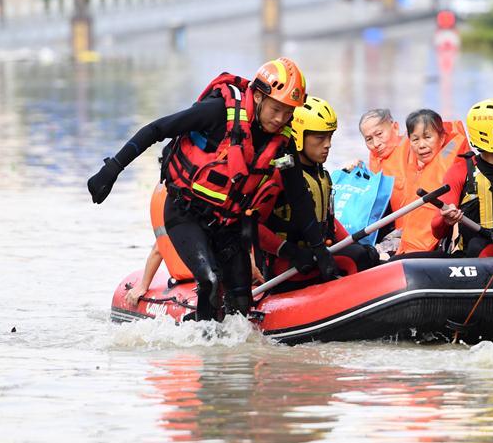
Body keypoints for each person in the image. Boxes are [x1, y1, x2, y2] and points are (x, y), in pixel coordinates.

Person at [87, 58, 339, 321]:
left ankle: (231, 360)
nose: (281, 119)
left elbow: (299, 197)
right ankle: (204, 348)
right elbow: (157, 129)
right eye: (276, 109)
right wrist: (113, 168)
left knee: (242, 303)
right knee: (210, 281)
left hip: (228, 224)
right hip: (186, 213)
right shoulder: (219, 111)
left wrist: (320, 250)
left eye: (289, 112)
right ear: (259, 95)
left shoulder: (283, 143)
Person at [257, 96, 377, 291]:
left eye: (330, 137)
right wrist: (290, 252)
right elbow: (255, 227)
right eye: (320, 138)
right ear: (298, 137)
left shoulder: (322, 174)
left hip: (318, 256)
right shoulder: (278, 175)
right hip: (288, 267)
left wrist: (353, 242)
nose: (328, 144)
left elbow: (328, 221)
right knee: (358, 258)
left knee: (365, 253)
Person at [430, 99, 493, 258]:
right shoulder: (460, 171)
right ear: (486, 136)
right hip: (472, 257)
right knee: (478, 245)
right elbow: (437, 230)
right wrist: (446, 219)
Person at [394, 109, 470, 255]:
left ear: (442, 138)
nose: (421, 145)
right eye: (415, 139)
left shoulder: (456, 169)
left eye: (427, 137)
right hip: (407, 245)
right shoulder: (417, 168)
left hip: (434, 248)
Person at [125, 183, 195, 307]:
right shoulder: (190, 185)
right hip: (206, 276)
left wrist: (143, 285)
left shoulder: (165, 190)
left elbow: (160, 246)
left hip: (190, 276)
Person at [359, 109, 405, 175]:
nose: (376, 144)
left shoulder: (414, 149)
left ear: (395, 128)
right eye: (369, 139)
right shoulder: (374, 155)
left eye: (379, 134)